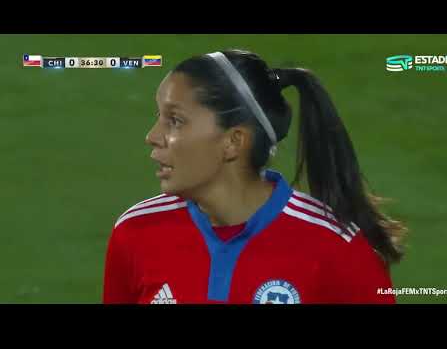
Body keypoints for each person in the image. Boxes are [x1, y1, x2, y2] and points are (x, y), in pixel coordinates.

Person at [103, 49, 407, 304]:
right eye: (159, 118)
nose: (152, 136)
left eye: (175, 120)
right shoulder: (136, 232)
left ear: (233, 141)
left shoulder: (337, 246)